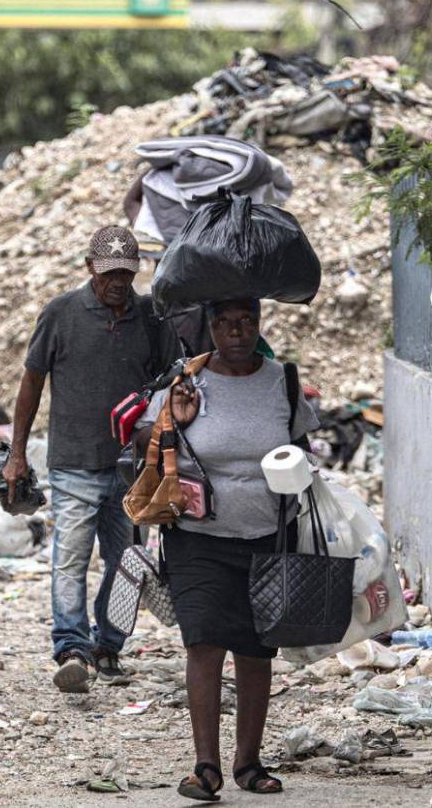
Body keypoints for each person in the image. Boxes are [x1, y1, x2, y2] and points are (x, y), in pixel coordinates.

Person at [134, 298, 318, 800]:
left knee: (256, 649)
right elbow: (144, 439)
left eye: (246, 322)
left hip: (269, 536)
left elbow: (303, 448)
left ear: (258, 325)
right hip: (196, 538)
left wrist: (299, 468)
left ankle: (249, 764)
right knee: (204, 643)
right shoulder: (185, 380)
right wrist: (176, 420)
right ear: (210, 327)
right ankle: (206, 767)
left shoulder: (282, 380)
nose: (236, 332)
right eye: (225, 323)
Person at [5, 225, 180, 693]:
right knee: (71, 558)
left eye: (125, 272)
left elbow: (170, 383)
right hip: (74, 462)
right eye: (108, 273)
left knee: (126, 563)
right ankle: (71, 647)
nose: (118, 282)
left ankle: (108, 645)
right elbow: (31, 382)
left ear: (136, 270)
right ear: (89, 268)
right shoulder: (61, 313)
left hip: (132, 468)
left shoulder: (152, 317)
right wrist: (17, 453)